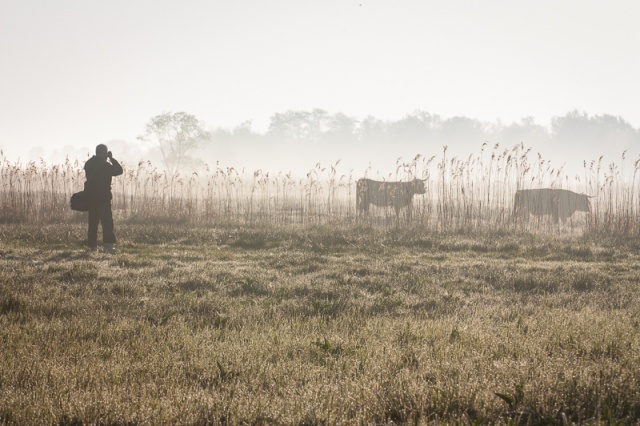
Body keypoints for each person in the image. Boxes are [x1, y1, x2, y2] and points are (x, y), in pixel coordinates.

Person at [84, 144, 123, 253]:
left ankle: (92, 247)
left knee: (92, 223)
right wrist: (111, 158)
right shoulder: (105, 165)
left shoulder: (89, 164)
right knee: (107, 223)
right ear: (105, 153)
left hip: (91, 198)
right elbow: (119, 171)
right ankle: (108, 247)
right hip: (103, 198)